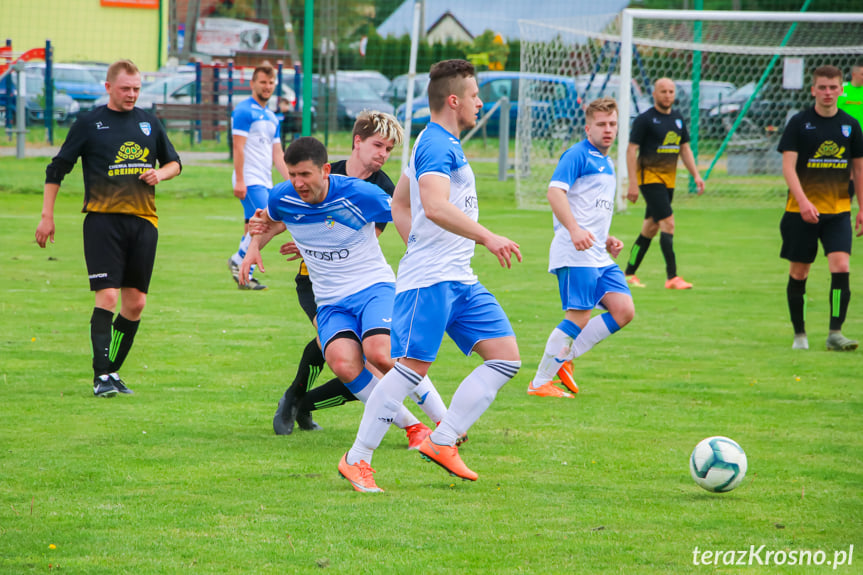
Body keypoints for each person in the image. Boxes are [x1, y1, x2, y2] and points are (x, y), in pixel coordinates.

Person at [338, 59, 522, 493]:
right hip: (432, 280)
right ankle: (357, 458)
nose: (481, 103)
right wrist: (487, 237)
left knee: (506, 357)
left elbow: (400, 204)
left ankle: (442, 440)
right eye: (476, 96)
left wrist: (415, 241)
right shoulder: (436, 144)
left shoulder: (439, 143)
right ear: (454, 100)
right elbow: (434, 205)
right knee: (409, 372)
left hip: (458, 277)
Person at [240, 137, 442, 447]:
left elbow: (405, 213)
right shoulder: (282, 196)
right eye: (292, 174)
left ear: (324, 171)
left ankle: (445, 420)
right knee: (342, 361)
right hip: (331, 299)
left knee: (380, 353)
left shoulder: (360, 193)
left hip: (372, 286)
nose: (297, 183)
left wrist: (425, 258)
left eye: (305, 175)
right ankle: (414, 428)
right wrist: (253, 249)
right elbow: (267, 220)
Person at [35, 59, 181, 397]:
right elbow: (57, 169)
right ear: (108, 88)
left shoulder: (148, 123)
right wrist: (47, 215)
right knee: (109, 295)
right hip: (103, 220)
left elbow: (175, 163)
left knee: (135, 304)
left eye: (136, 89)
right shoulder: (90, 123)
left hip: (144, 222)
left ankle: (111, 371)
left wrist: (160, 173)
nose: (131, 95)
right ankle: (101, 376)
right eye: (125, 88)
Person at [527, 98, 635, 398]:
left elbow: (589, 208)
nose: (608, 130)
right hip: (574, 251)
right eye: (601, 124)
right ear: (588, 128)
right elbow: (554, 192)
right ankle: (539, 383)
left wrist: (606, 237)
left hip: (597, 252)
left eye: (612, 124)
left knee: (624, 310)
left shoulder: (608, 162)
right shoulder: (577, 155)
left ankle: (564, 357)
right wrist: (574, 230)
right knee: (579, 316)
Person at [778, 65, 863, 351]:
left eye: (833, 87)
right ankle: (799, 335)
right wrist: (803, 202)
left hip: (838, 211)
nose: (828, 93)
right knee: (800, 273)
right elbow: (788, 167)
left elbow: (859, 170)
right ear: (813, 89)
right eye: (822, 87)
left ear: (841, 89)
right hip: (799, 213)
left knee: (841, 266)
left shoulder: (851, 125)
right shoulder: (799, 123)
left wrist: (862, 208)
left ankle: (835, 333)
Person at [624, 77, 705, 290]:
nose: (667, 95)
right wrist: (632, 183)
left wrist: (696, 175)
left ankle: (628, 273)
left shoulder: (677, 120)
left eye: (671, 91)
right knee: (668, 223)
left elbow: (685, 148)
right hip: (649, 179)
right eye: (663, 91)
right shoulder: (645, 120)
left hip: (668, 181)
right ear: (654, 94)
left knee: (649, 229)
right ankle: (672, 277)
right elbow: (631, 150)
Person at [227, 64, 290, 291]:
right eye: (263, 82)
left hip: (264, 180)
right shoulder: (244, 111)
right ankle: (237, 260)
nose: (267, 86)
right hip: (251, 179)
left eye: (271, 82)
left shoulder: (272, 117)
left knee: (252, 228)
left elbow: (278, 154)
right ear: (253, 84)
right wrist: (241, 179)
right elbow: (238, 147)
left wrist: (293, 180)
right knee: (271, 220)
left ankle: (245, 277)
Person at [837, 59, 863, 200]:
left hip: (861, 137)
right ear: (854, 74)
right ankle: (845, 201)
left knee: (858, 171)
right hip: (843, 137)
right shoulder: (842, 90)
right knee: (846, 171)